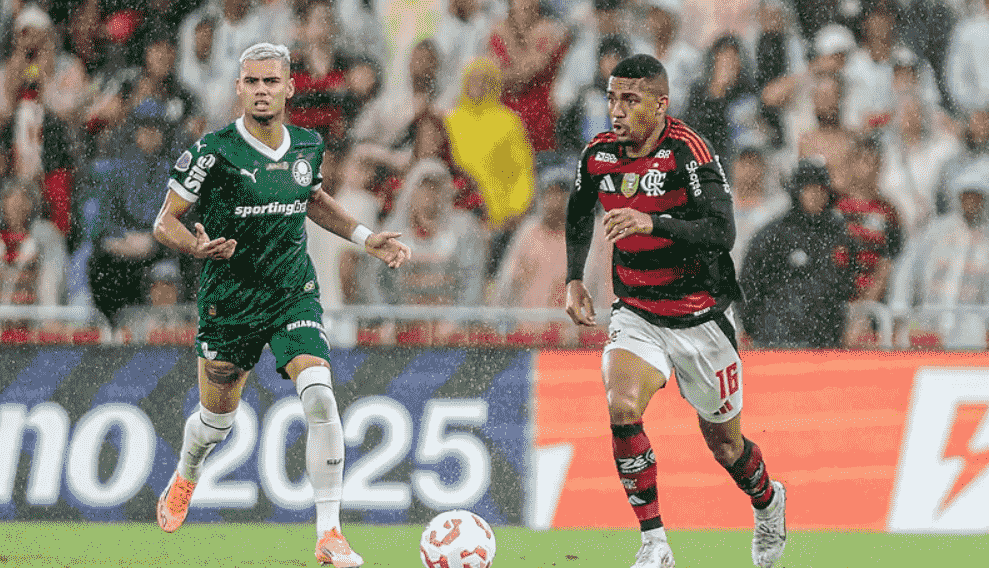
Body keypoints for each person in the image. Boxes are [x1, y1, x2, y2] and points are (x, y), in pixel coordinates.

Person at [152, 43, 410, 567]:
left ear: (290, 87)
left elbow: (311, 199)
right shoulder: (212, 152)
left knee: (320, 397)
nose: (262, 91)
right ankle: (186, 473)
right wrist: (195, 248)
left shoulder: (308, 145)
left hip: (292, 292)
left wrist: (366, 238)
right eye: (252, 82)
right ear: (239, 88)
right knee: (215, 423)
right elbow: (165, 222)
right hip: (230, 301)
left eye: (271, 81)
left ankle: (329, 533)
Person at [564, 54, 786, 568]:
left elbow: (721, 232)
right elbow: (578, 212)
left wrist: (653, 222)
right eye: (612, 99)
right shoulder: (598, 155)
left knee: (726, 447)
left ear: (661, 104)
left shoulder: (689, 152)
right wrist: (574, 277)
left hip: (701, 317)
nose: (617, 111)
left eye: (630, 100)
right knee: (622, 407)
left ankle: (768, 501)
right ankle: (654, 543)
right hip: (638, 312)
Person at [739, 160, 856, 348]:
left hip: (826, 339)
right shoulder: (774, 235)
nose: (815, 195)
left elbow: (848, 282)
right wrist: (754, 327)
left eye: (821, 189)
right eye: (809, 189)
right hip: (778, 338)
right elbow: (749, 284)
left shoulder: (839, 234)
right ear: (797, 191)